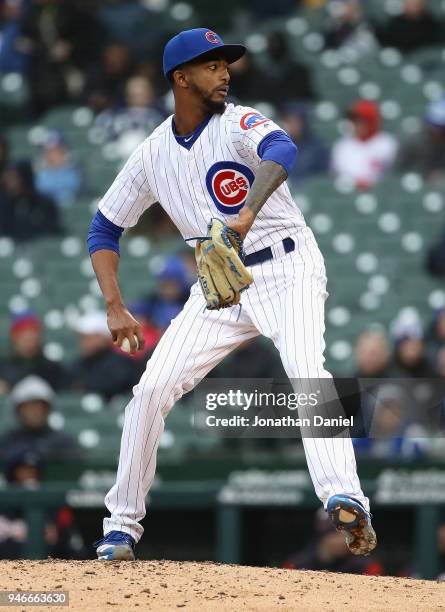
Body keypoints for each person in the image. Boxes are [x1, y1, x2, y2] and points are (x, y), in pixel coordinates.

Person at [88, 27, 377, 561]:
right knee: (151, 391)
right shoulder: (152, 154)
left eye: (226, 64)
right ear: (180, 78)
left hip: (287, 262)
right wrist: (114, 304)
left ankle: (345, 496)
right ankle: (121, 527)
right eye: (211, 64)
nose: (224, 72)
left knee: (307, 370)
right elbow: (104, 229)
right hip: (219, 287)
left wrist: (241, 220)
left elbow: (281, 146)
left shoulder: (239, 121)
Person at [0, 375, 79, 461]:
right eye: (30, 406)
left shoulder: (63, 442)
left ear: (48, 410)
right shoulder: (7, 441)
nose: (36, 412)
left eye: (40, 406)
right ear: (19, 410)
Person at [69, 311, 137, 400]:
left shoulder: (123, 364)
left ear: (104, 338)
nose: (84, 343)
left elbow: (115, 387)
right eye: (81, 338)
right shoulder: (77, 365)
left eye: (88, 338)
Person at [331, 99, 398, 188]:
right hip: (348, 194)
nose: (355, 124)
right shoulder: (342, 146)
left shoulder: (387, 144)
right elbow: (335, 176)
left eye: (360, 120)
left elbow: (393, 176)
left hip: (381, 193)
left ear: (371, 121)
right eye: (353, 120)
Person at [0, 312, 70, 395]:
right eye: (24, 338)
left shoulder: (54, 369)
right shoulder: (2, 367)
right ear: (14, 339)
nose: (29, 343)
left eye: (32, 338)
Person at [0, 160, 63, 242]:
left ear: (25, 178)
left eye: (14, 178)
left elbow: (52, 235)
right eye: (7, 179)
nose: (10, 183)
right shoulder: (3, 206)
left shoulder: (45, 204)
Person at [396, 97, 445, 186]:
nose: (437, 131)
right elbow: (397, 171)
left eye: (441, 128)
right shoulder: (412, 140)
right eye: (435, 126)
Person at [279, 103, 330, 186]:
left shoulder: (317, 147)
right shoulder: (278, 145)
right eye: (288, 121)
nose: (291, 126)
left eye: (295, 122)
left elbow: (322, 177)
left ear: (303, 123)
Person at [34, 130, 82, 208]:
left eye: (55, 150)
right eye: (48, 151)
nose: (51, 154)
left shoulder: (75, 171)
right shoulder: (40, 175)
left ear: (63, 150)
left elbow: (76, 192)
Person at [376, 0, 442, 53]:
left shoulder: (432, 23)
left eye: (417, 3)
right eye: (411, 2)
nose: (414, 5)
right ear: (404, 4)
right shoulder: (394, 25)